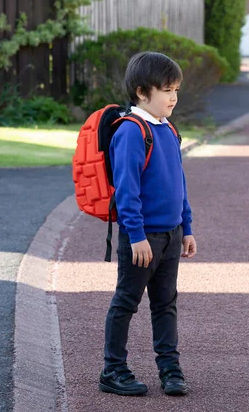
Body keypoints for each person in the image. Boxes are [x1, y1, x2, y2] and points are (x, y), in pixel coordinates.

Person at [99, 51, 197, 397]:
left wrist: (186, 227)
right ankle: (113, 370)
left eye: (176, 90)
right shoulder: (131, 131)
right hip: (142, 239)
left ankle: (170, 369)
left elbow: (178, 183)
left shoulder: (168, 128)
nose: (174, 97)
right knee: (126, 301)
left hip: (170, 237)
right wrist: (137, 235)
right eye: (167, 90)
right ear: (142, 92)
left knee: (165, 304)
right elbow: (126, 190)